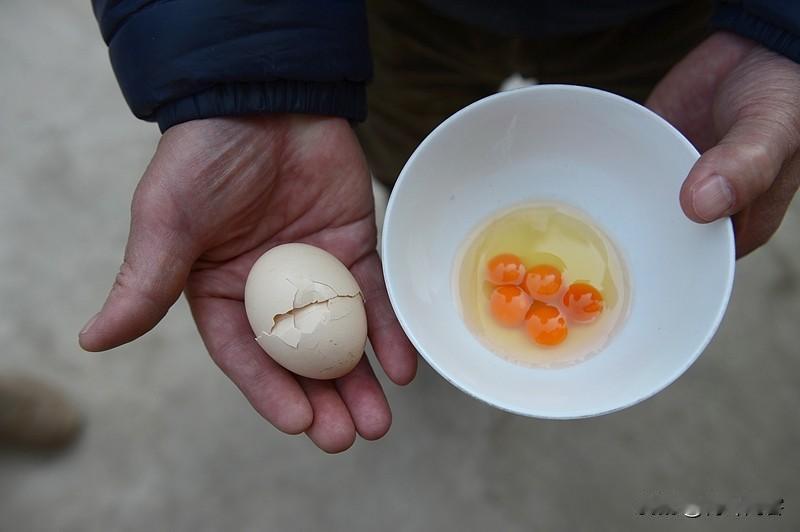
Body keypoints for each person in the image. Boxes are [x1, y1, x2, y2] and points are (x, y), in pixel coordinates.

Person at [82, 0, 800, 453]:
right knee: (404, 144)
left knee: (653, 157)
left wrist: (784, 29)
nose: (541, 294)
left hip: (660, 15)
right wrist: (240, 63)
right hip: (399, 15)